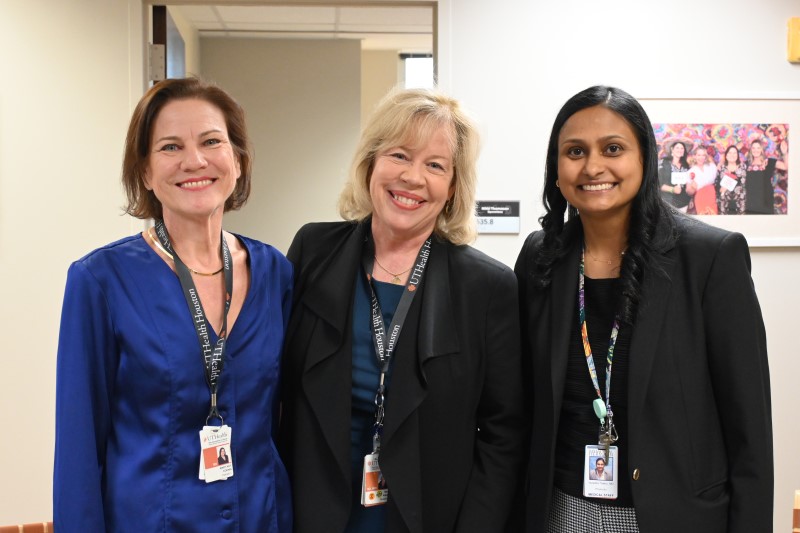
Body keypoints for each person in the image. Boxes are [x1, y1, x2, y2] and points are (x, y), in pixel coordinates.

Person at [515, 85, 772, 533]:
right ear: (556, 170)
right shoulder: (541, 257)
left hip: (671, 516)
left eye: (612, 149)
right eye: (575, 151)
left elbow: (748, 429)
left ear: (644, 160)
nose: (593, 166)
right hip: (558, 510)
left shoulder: (709, 258)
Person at [279, 87, 526, 532]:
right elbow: (274, 392)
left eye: (435, 165)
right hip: (311, 513)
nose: (412, 177)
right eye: (399, 155)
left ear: (452, 187)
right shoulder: (312, 252)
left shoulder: (487, 287)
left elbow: (503, 435)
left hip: (428, 517)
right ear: (371, 163)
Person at [54, 78, 292, 532]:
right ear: (144, 171)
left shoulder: (275, 273)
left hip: (262, 518)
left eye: (211, 141)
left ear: (238, 160)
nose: (194, 161)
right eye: (170, 147)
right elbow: (78, 452)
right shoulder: (100, 281)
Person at [744, 139, 786, 214]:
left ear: (762, 149)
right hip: (750, 203)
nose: (755, 150)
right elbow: (734, 170)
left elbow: (785, 167)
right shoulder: (746, 164)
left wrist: (785, 153)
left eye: (758, 148)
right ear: (750, 150)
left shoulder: (769, 162)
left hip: (765, 201)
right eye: (753, 148)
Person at [657, 139, 691, 212]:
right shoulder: (664, 163)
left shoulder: (686, 165)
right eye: (677, 148)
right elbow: (658, 184)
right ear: (672, 149)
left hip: (684, 203)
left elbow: (688, 185)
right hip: (668, 202)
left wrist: (691, 199)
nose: (680, 150)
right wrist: (672, 189)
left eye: (682, 148)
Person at [686, 146, 718, 215]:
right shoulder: (690, 172)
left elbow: (718, 181)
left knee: (714, 219)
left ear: (706, 157)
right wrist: (692, 188)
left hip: (712, 196)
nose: (701, 158)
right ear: (694, 156)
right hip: (700, 198)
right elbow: (689, 192)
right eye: (699, 155)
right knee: (703, 220)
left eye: (703, 155)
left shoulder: (712, 166)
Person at [716, 145, 747, 215]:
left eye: (734, 153)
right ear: (726, 155)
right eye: (730, 153)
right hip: (724, 202)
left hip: (741, 202)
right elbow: (716, 185)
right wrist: (721, 188)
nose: (732, 155)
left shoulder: (744, 166)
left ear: (738, 155)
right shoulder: (721, 168)